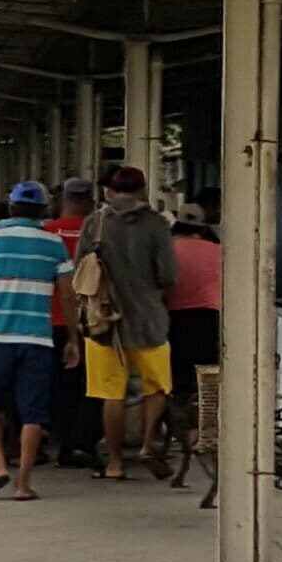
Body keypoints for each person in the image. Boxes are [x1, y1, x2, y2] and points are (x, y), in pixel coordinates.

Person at [0, 182, 79, 501]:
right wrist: (73, 338)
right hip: (38, 338)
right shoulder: (54, 243)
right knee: (32, 411)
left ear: (11, 207)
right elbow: (68, 295)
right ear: (45, 210)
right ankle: (23, 482)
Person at [77, 167, 178, 481]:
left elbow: (81, 270)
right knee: (157, 387)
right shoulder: (157, 224)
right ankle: (149, 444)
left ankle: (115, 462)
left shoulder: (95, 223)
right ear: (142, 189)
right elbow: (168, 276)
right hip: (149, 321)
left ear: (110, 191)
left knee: (112, 393)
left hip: (104, 324)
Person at [42, 178, 99, 468]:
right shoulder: (100, 232)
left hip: (53, 319)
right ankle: (84, 442)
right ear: (92, 201)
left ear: (62, 200)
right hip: (94, 319)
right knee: (92, 385)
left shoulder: (47, 233)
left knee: (58, 385)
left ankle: (62, 440)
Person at [166, 204, 221, 405]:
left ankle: (181, 425)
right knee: (206, 379)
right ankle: (204, 425)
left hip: (174, 320)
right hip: (209, 319)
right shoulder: (219, 251)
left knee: (178, 380)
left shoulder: (168, 249)